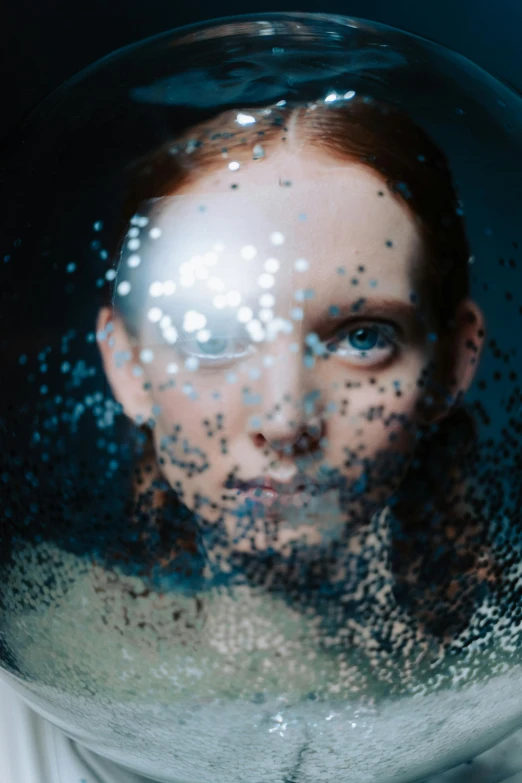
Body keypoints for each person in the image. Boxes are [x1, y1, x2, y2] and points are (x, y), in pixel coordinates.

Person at [4, 94, 514, 783]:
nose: (283, 419)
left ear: (452, 362)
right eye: (211, 335)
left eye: (363, 335)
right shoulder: (35, 680)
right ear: (127, 365)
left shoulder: (492, 683)